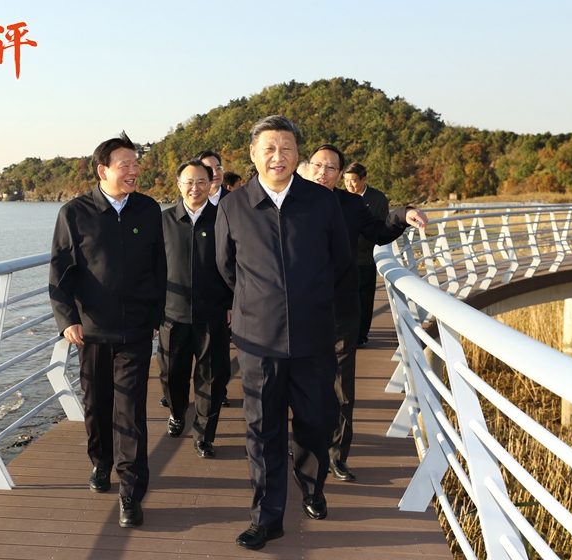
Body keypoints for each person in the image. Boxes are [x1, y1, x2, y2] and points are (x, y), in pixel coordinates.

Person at [215, 116, 351, 551]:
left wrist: (310, 298)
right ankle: (267, 517)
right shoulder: (234, 206)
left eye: (287, 148)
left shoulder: (321, 201)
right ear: (253, 154)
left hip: (313, 336)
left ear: (298, 155)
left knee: (315, 422)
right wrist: (258, 301)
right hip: (258, 340)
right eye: (269, 148)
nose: (278, 156)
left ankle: (312, 486)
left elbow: (341, 260)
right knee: (262, 429)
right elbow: (226, 267)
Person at [49, 132, 166, 529]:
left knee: (131, 411)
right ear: (103, 170)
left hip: (136, 329)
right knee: (97, 405)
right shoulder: (74, 213)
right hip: (92, 330)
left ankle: (131, 492)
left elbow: (160, 266)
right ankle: (101, 462)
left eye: (136, 164)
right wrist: (67, 319)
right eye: (125, 165)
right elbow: (60, 271)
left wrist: (156, 315)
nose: (134, 171)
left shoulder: (148, 209)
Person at [304, 145, 428, 483]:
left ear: (340, 173)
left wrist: (403, 215)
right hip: (299, 310)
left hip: (341, 308)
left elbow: (378, 231)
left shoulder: (351, 204)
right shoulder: (290, 203)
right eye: (318, 165)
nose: (323, 172)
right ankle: (305, 445)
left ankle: (337, 455)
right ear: (308, 167)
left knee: (342, 386)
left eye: (331, 167)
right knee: (303, 383)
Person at [158, 160, 233, 458]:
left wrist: (231, 304)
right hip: (171, 314)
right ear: (179, 185)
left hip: (212, 313)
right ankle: (177, 413)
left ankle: (204, 434)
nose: (195, 187)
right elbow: (149, 268)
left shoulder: (223, 219)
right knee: (171, 374)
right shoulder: (163, 221)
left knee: (212, 378)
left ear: (211, 183)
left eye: (201, 181)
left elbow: (236, 264)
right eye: (189, 182)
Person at [344, 162, 391, 348]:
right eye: (346, 181)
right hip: (344, 257)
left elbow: (382, 226)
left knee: (364, 299)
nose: (349, 185)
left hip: (366, 257)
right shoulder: (342, 198)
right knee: (345, 299)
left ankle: (361, 337)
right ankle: (346, 335)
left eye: (353, 181)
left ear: (364, 179)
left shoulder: (377, 198)